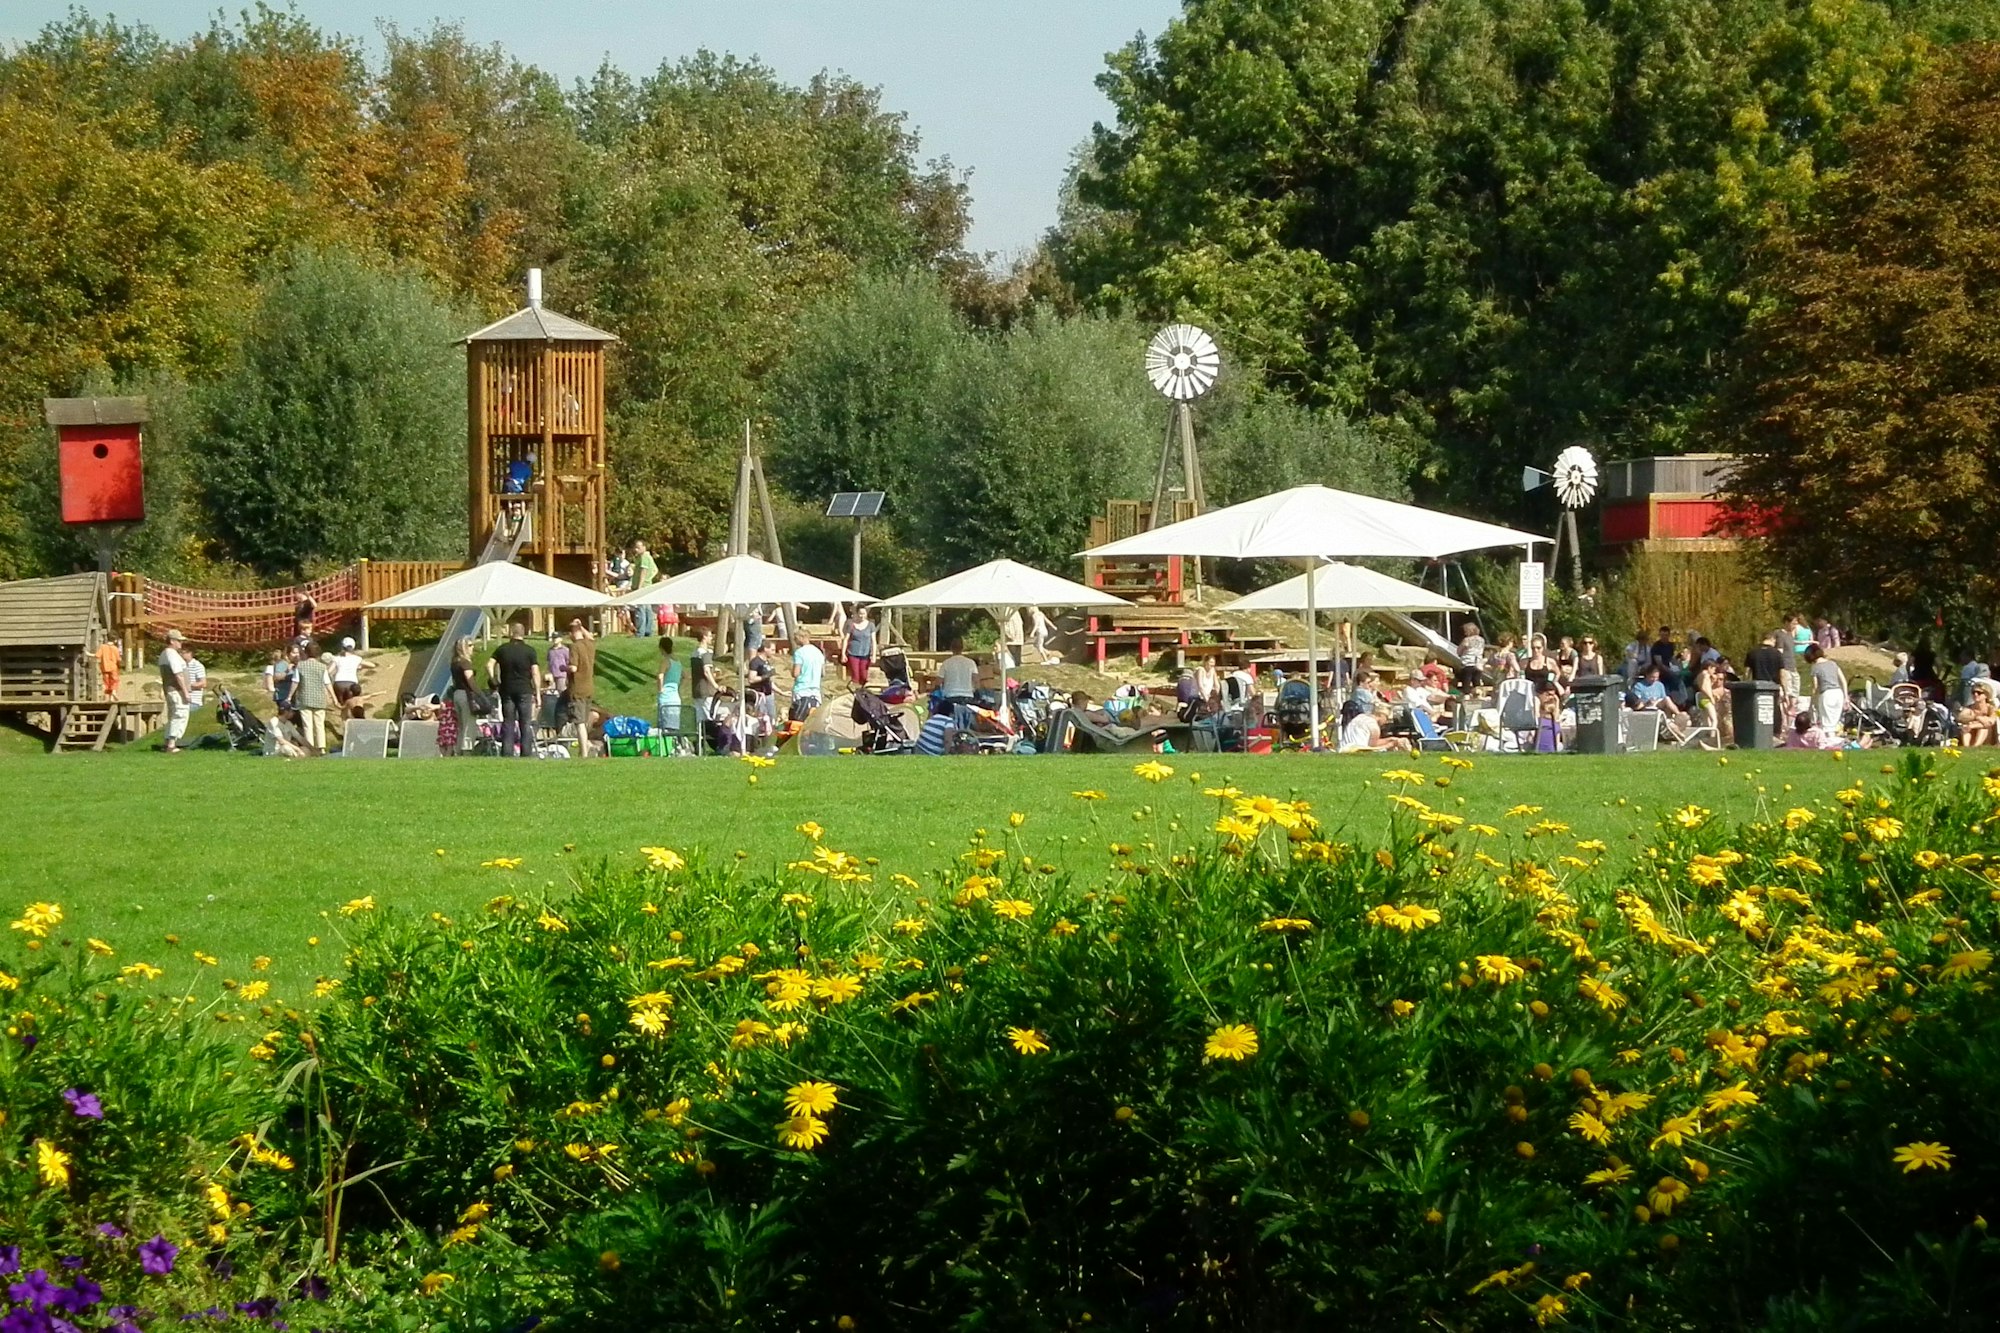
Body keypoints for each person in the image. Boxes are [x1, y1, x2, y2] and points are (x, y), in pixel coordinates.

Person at [486, 622, 542, 758]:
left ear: (511, 633)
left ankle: (507, 752)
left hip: (507, 689)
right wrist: (538, 693)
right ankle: (526, 753)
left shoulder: (502, 649)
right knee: (525, 723)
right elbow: (535, 673)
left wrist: (493, 679)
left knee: (508, 722)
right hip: (525, 690)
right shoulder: (530, 651)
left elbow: (489, 664)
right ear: (523, 633)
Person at [293, 645, 335, 755]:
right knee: (319, 724)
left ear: (306, 653)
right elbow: (327, 683)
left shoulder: (300, 666)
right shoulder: (322, 667)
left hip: (305, 698)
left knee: (307, 725)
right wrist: (334, 697)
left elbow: (295, 682)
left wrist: (289, 696)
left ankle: (310, 748)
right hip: (319, 699)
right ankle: (322, 748)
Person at [157, 630, 193, 754]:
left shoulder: (164, 654)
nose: (181, 643)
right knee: (180, 714)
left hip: (170, 690)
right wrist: (185, 692)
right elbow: (178, 674)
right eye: (179, 641)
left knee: (173, 716)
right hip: (176, 690)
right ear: (172, 641)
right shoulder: (171, 654)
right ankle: (171, 744)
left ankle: (167, 742)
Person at [566, 618, 598, 746]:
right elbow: (591, 637)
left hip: (577, 689)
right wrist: (581, 626)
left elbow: (573, 668)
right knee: (584, 721)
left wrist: (564, 668)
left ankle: (584, 751)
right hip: (589, 688)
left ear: (571, 633)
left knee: (579, 723)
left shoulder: (574, 647)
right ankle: (586, 747)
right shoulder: (589, 645)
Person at [1806, 643, 1847, 736]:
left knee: (1827, 725)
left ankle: (1829, 741)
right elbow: (1843, 681)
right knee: (1834, 723)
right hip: (1838, 693)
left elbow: (1815, 686)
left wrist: (1812, 702)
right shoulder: (1833, 663)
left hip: (1827, 694)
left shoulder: (1815, 667)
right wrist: (1846, 697)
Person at [1339, 700, 1409, 753]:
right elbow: (1372, 747)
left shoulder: (1359, 717)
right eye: (1387, 718)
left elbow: (1373, 742)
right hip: (1357, 750)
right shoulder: (1374, 727)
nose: (1386, 722)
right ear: (1381, 715)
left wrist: (1391, 739)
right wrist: (1392, 744)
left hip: (1343, 749)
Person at [448, 637, 479, 753]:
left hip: (457, 694)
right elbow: (470, 680)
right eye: (470, 645)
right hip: (466, 695)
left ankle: (458, 749)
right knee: (469, 723)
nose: (472, 647)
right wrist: (479, 693)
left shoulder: (454, 662)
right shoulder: (465, 663)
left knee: (460, 724)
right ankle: (467, 749)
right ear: (464, 647)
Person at [789, 627, 826, 721]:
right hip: (815, 689)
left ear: (801, 637)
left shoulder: (799, 653)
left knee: (798, 718)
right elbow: (823, 673)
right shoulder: (818, 652)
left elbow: (796, 673)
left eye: (795, 638)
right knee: (813, 719)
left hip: (801, 689)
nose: (795, 641)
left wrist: (791, 670)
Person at [656, 636, 685, 740]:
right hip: (675, 698)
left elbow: (660, 676)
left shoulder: (666, 661)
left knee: (664, 727)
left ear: (661, 648)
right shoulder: (677, 662)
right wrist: (678, 686)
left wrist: (660, 689)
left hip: (666, 698)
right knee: (674, 726)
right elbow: (684, 676)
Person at [691, 627, 722, 717]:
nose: (711, 638)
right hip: (706, 691)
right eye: (710, 636)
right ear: (704, 637)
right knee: (711, 717)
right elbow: (706, 671)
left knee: (700, 720)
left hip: (697, 691)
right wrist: (716, 686)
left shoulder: (694, 653)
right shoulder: (705, 653)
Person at [843, 608, 876, 690]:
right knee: (855, 675)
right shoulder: (852, 625)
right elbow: (846, 639)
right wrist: (843, 654)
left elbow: (873, 641)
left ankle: (863, 691)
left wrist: (874, 655)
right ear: (857, 614)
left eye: (863, 613)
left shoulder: (871, 625)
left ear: (866, 614)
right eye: (860, 613)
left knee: (864, 675)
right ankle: (856, 692)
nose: (862, 616)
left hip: (865, 654)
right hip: (853, 653)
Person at [938, 639, 979, 705]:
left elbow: (939, 681)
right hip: (967, 695)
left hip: (950, 695)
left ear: (951, 648)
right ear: (962, 648)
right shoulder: (971, 663)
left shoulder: (946, 663)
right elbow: (976, 680)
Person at [631, 541, 659, 636]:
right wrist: (649, 579)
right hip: (647, 585)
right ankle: (648, 631)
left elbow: (643, 572)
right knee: (647, 609)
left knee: (640, 610)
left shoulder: (644, 557)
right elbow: (655, 570)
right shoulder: (648, 557)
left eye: (638, 547)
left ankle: (640, 632)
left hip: (642, 587)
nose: (636, 549)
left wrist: (640, 586)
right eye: (635, 547)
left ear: (644, 547)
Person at [1959, 681, 1998, 747]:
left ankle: (1976, 746)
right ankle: (1966, 747)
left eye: (1979, 693)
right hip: (1971, 733)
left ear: (1986, 695)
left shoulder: (1991, 708)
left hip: (1988, 737)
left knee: (1983, 728)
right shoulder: (1969, 708)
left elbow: (1990, 722)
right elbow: (1961, 717)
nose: (1975, 694)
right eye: (1973, 692)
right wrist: (1977, 719)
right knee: (1965, 726)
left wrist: (1973, 724)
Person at [331, 636, 365, 710]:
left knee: (342, 705)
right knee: (351, 705)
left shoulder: (337, 658)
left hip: (339, 682)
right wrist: (360, 667)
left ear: (342, 647)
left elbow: (329, 671)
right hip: (351, 682)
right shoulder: (357, 658)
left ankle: (343, 716)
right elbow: (372, 665)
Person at [999, 606, 1025, 670]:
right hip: (1011, 641)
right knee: (1012, 662)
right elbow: (1001, 623)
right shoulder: (1006, 610)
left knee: (1017, 662)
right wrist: (1009, 635)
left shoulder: (1015, 611)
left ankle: (1016, 674)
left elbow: (1020, 623)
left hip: (1018, 640)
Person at [182, 645, 207, 711]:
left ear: (189, 653)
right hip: (182, 699)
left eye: (183, 653)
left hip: (193, 701)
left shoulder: (197, 666)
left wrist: (187, 685)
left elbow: (203, 683)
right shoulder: (181, 665)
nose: (181, 655)